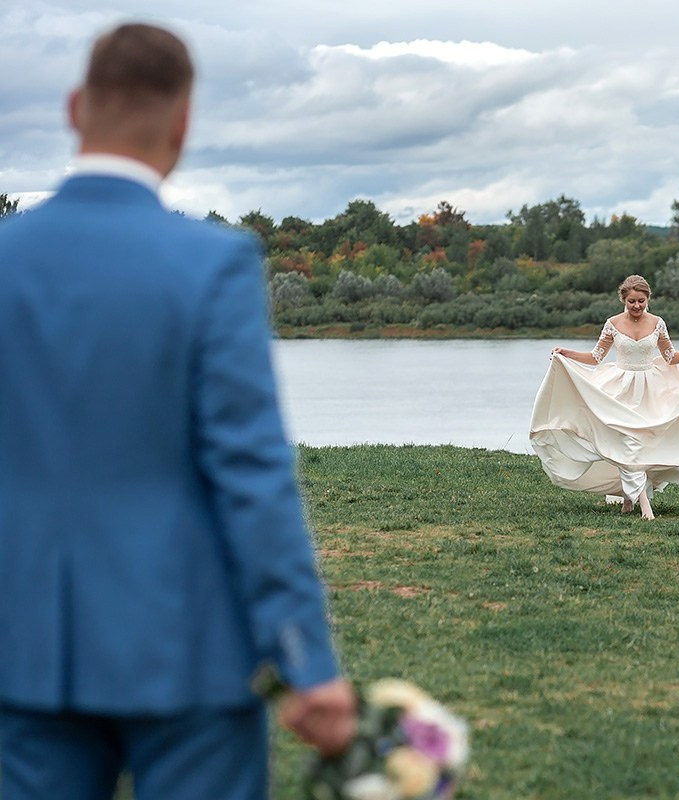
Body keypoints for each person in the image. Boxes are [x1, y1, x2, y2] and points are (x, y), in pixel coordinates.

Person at [0, 23, 356, 799]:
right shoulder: (212, 264)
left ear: (72, 109)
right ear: (184, 123)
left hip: (20, 648)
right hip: (185, 649)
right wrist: (306, 660)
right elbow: (252, 473)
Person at [530, 274, 679, 519]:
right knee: (626, 443)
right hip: (619, 388)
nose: (637, 306)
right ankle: (644, 505)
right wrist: (565, 353)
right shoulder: (612, 323)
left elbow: (670, 357)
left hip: (650, 390)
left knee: (641, 444)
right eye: (632, 301)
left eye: (641, 301)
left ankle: (628, 499)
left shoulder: (657, 323)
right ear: (624, 299)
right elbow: (596, 357)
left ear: (648, 299)